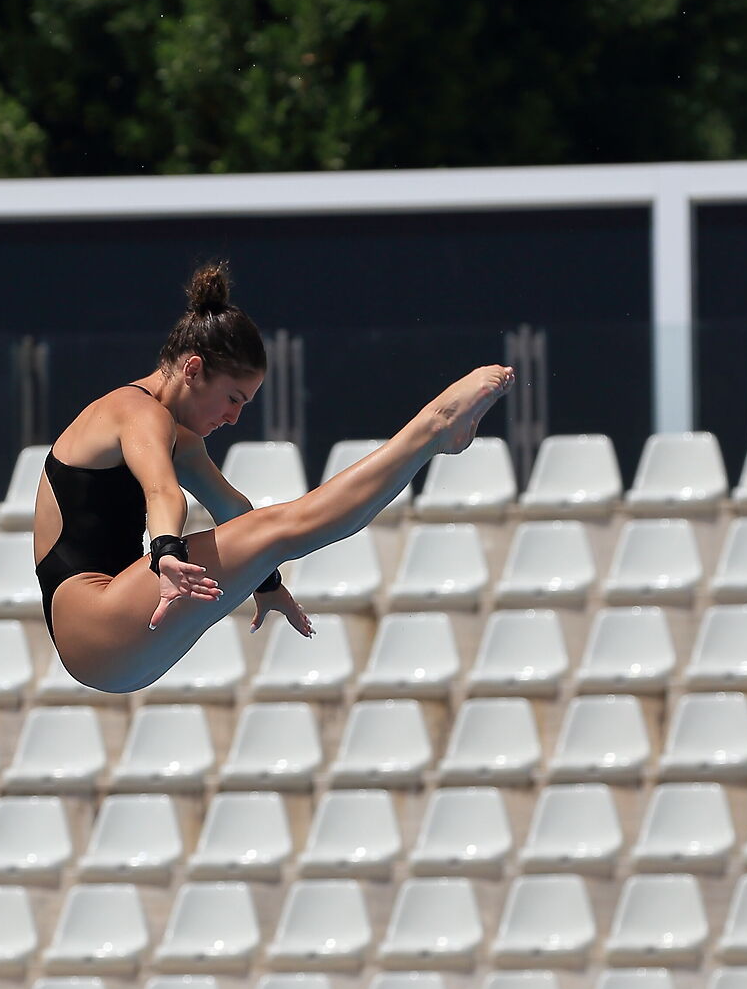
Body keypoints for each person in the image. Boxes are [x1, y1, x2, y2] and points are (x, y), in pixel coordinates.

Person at [33, 261, 513, 694]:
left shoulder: (176, 434)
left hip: (115, 651)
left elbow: (234, 512)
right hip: (94, 623)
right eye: (233, 399)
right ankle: (433, 427)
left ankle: (433, 437)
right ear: (193, 370)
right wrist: (167, 553)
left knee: (274, 530)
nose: (234, 418)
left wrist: (265, 582)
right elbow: (162, 491)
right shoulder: (134, 411)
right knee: (283, 527)